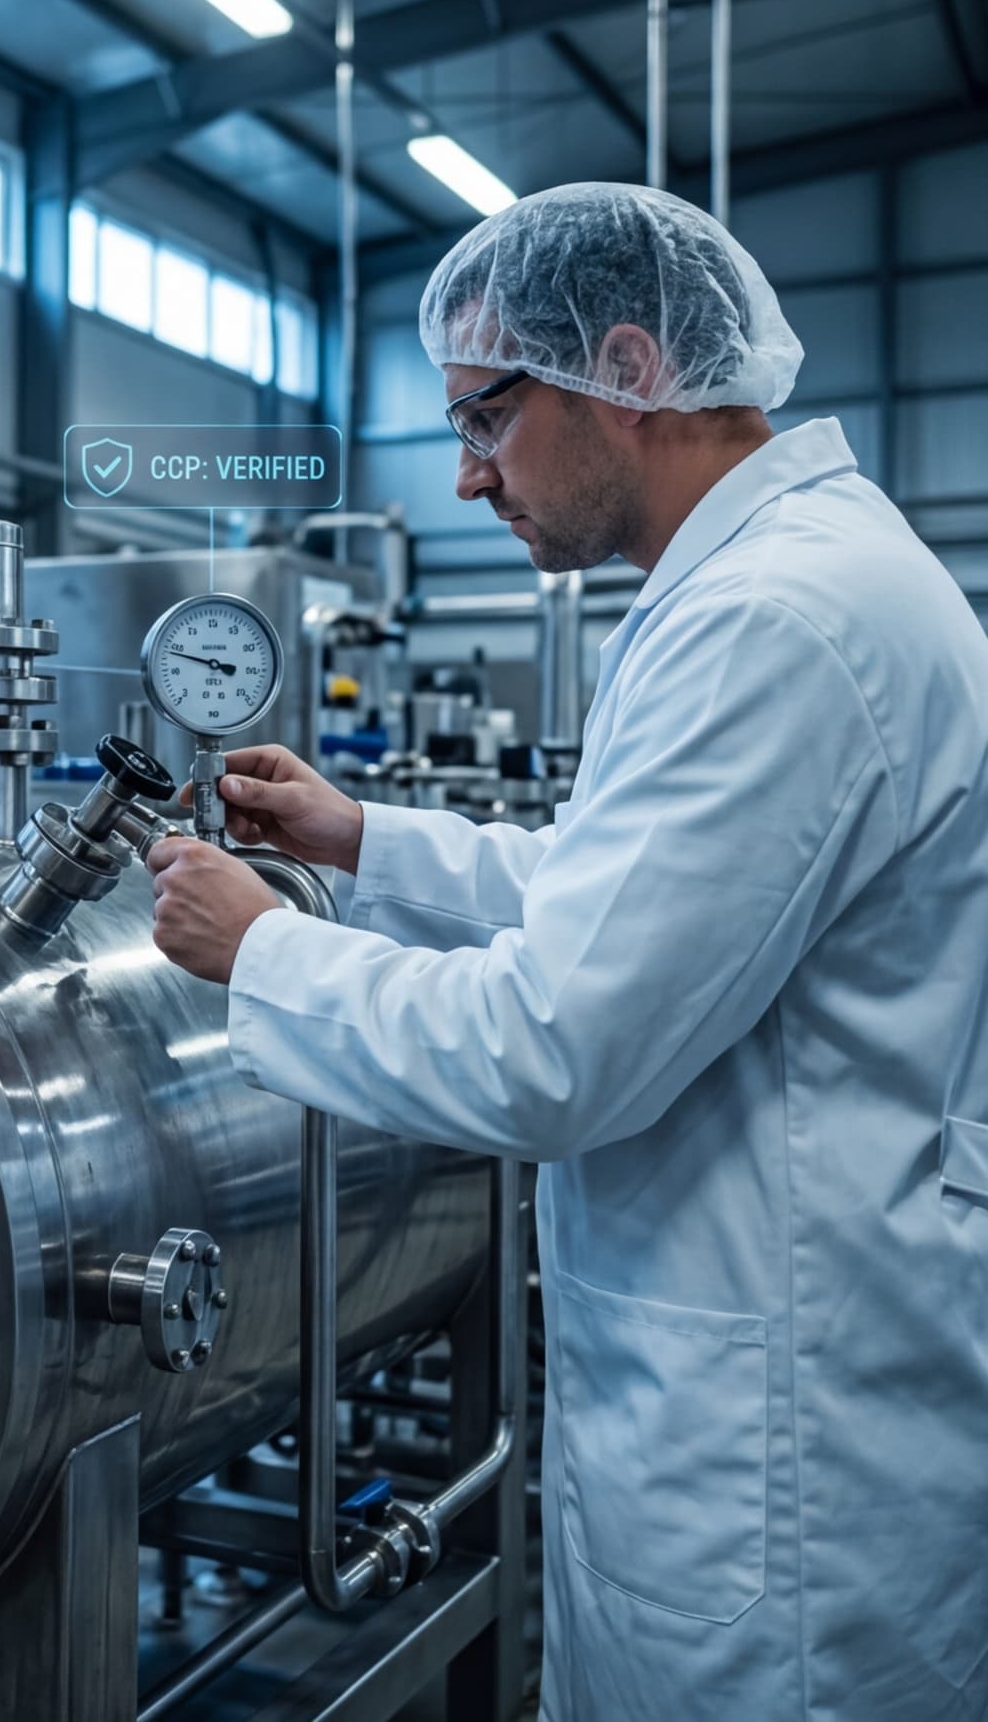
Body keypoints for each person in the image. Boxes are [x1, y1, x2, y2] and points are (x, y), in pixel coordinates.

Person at [146, 182, 988, 1721]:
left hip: (781, 1456)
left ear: (627, 365)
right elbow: (642, 903)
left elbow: (559, 1046)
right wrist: (367, 845)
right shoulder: (777, 583)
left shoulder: (774, 622)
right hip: (765, 1373)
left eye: (483, 418)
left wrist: (263, 952)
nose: (465, 478)